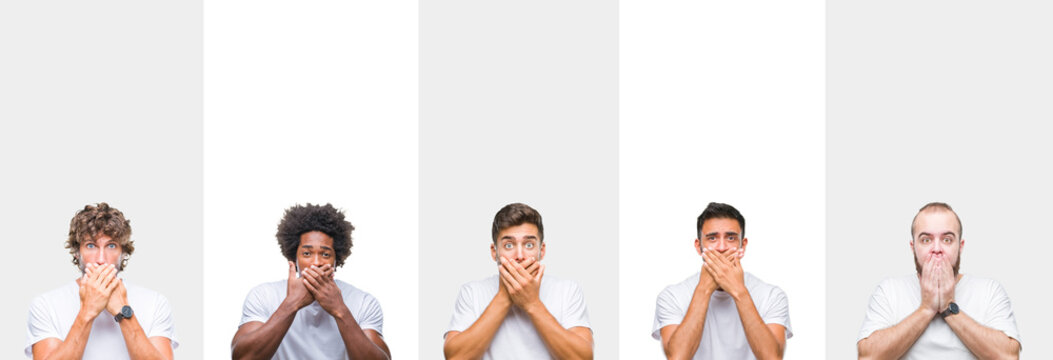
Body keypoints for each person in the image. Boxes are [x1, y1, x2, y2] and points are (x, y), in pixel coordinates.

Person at [857, 202, 1021, 359]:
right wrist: (927, 308)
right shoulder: (889, 290)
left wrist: (948, 306)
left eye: (947, 239)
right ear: (913, 247)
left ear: (960, 246)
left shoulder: (989, 291)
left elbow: (1009, 356)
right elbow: (868, 357)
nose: (937, 249)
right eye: (926, 240)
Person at [231, 203, 390, 360]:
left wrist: (339, 309)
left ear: (336, 260)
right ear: (294, 258)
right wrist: (291, 304)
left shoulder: (363, 302)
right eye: (307, 253)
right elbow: (242, 357)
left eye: (325, 255)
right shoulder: (263, 295)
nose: (316, 262)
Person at [26, 202, 178, 359]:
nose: (101, 259)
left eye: (111, 246)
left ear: (123, 252)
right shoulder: (45, 304)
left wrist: (124, 311)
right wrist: (87, 311)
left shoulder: (155, 302)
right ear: (77, 252)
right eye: (91, 245)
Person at [443, 203, 593, 360]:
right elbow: (455, 357)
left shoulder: (567, 290)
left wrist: (532, 303)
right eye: (509, 245)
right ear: (495, 252)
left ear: (541, 251)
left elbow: (583, 358)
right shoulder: (472, 292)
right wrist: (504, 296)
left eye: (529, 244)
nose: (519, 255)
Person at [653, 202, 791, 360]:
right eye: (712, 238)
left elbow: (773, 358)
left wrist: (739, 291)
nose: (721, 247)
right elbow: (677, 357)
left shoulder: (772, 295)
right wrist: (704, 290)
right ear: (699, 247)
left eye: (731, 238)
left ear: (742, 245)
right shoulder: (672, 296)